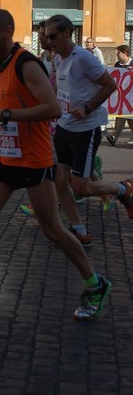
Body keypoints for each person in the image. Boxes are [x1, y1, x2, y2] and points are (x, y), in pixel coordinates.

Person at [0, 8, 112, 325]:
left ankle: (95, 284)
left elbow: (52, 108)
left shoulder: (27, 63)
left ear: (7, 32)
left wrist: (5, 116)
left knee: (53, 230)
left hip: (34, 160)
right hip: (4, 157)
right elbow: (10, 107)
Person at [45, 15, 133, 248]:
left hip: (85, 129)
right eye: (46, 36)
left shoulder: (84, 58)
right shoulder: (58, 59)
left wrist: (87, 107)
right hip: (64, 127)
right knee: (60, 181)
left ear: (67, 33)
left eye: (53, 36)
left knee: (80, 187)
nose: (49, 40)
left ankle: (124, 188)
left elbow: (110, 85)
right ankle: (79, 230)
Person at [106, 44, 133, 146]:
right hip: (121, 97)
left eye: (118, 53)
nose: (117, 55)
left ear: (125, 54)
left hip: (131, 97)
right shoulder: (117, 64)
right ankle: (114, 136)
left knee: (130, 118)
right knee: (120, 116)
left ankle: (115, 136)